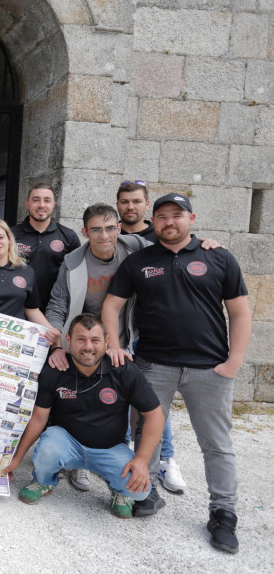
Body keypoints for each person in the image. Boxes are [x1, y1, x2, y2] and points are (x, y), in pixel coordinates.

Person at [102, 193, 251, 554]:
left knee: (216, 444)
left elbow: (240, 313)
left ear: (192, 218)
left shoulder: (218, 257)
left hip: (209, 368)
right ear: (154, 222)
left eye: (177, 215)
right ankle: (145, 491)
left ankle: (223, 513)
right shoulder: (139, 261)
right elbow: (111, 304)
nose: (170, 222)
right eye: (162, 216)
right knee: (146, 432)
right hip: (154, 365)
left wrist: (233, 363)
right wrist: (114, 344)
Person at [0, 314, 164, 519]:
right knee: (47, 447)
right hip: (67, 444)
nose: (88, 347)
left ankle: (118, 492)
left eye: (95, 340)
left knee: (139, 491)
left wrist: (141, 459)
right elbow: (39, 419)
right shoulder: (56, 368)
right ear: (68, 341)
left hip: (110, 448)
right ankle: (43, 481)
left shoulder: (123, 369)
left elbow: (155, 415)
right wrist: (17, 458)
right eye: (81, 339)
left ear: (106, 341)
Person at [44, 203, 151, 492]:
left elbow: (174, 245)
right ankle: (78, 463)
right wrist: (57, 343)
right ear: (84, 232)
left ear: (119, 227)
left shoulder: (136, 247)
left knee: (137, 399)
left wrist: (204, 243)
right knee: (83, 398)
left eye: (109, 228)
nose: (103, 235)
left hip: (126, 336)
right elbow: (57, 305)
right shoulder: (73, 261)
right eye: (95, 229)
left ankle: (135, 461)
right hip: (85, 340)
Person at [0, 217, 61, 341]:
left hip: (14, 345)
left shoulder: (26, 271)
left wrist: (49, 330)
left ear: (9, 239)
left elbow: (31, 309)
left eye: (1, 237)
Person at [11, 182, 80, 311]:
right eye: (36, 200)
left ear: (53, 205)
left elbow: (77, 276)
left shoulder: (68, 236)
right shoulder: (11, 235)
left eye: (47, 200)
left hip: (55, 309)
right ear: (27, 204)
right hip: (18, 307)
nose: (41, 205)